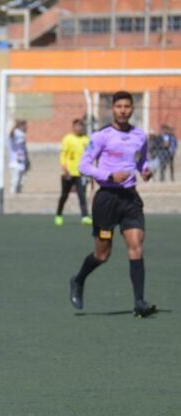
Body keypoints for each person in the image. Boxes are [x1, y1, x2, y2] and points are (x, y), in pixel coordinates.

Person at [69, 91, 156, 318]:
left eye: (127, 106)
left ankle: (139, 302)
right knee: (103, 254)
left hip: (130, 199)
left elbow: (141, 160)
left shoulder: (140, 136)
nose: (123, 110)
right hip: (106, 200)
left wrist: (144, 170)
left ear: (133, 109)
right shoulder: (101, 136)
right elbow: (83, 166)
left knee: (136, 245)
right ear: (112, 109)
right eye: (119, 106)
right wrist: (108, 176)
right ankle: (78, 280)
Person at [56, 118, 92, 226]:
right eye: (77, 126)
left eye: (81, 126)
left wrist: (89, 170)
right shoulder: (68, 139)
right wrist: (64, 169)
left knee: (82, 195)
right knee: (64, 195)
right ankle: (59, 214)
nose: (79, 128)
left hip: (81, 173)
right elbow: (63, 155)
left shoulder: (86, 140)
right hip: (68, 173)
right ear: (73, 127)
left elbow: (89, 156)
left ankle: (85, 217)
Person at [8, 120, 29, 194]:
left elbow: (23, 149)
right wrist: (14, 127)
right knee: (15, 181)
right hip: (15, 162)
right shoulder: (18, 133)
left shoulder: (20, 134)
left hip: (21, 162)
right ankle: (13, 196)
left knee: (21, 181)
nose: (27, 128)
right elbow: (11, 135)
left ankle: (17, 195)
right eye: (25, 126)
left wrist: (27, 160)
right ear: (21, 126)